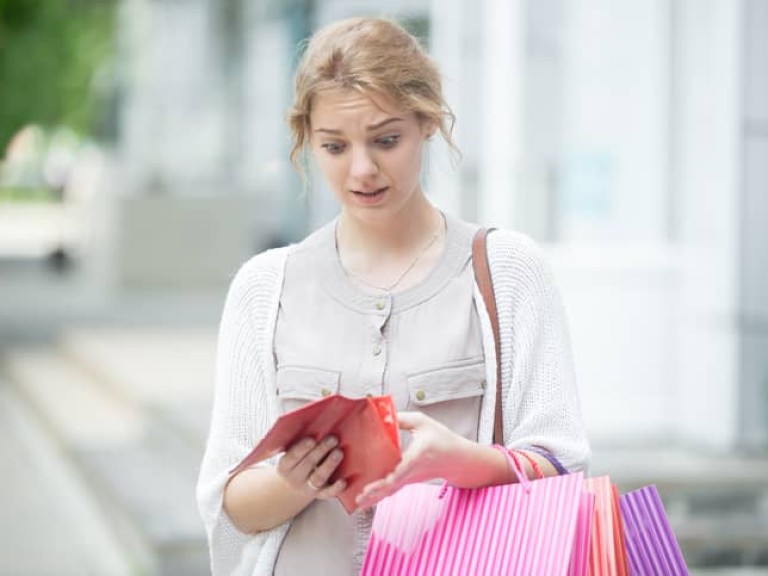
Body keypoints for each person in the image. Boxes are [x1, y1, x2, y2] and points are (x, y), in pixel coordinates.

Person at [197, 16, 589, 576]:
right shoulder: (264, 288)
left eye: (386, 140)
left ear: (426, 122)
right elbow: (227, 501)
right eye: (334, 146)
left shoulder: (508, 270)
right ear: (307, 138)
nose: (362, 170)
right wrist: (293, 480)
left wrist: (461, 461)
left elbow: (563, 462)